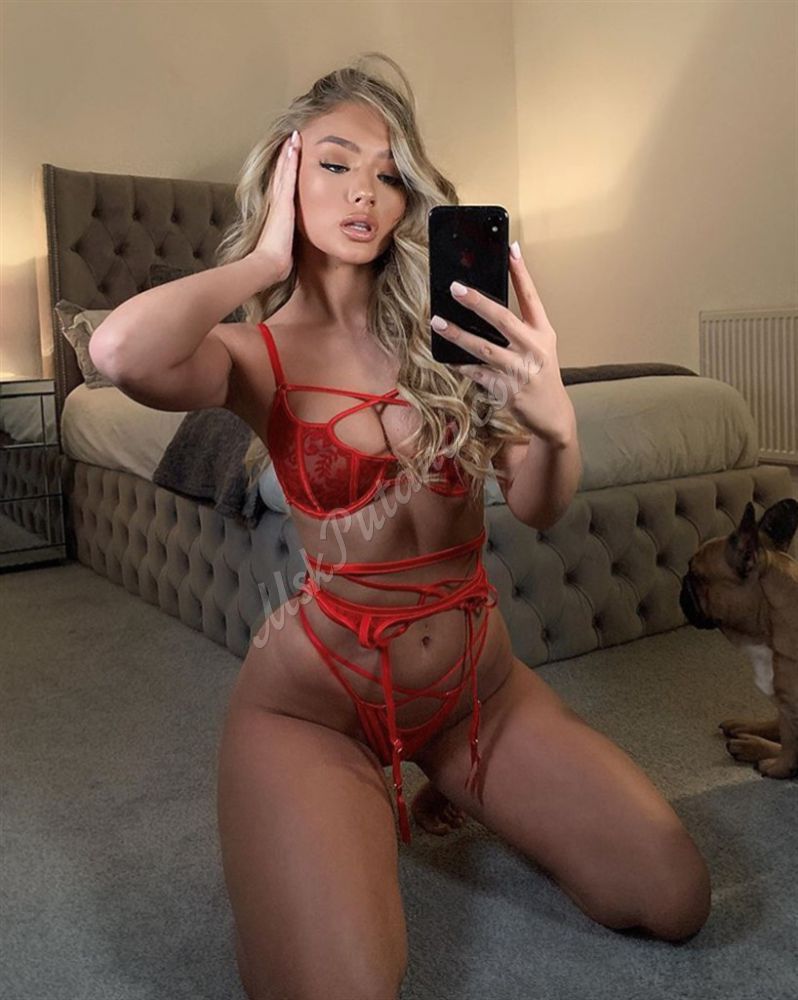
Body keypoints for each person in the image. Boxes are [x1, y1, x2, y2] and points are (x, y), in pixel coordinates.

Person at [90, 53, 710, 1000]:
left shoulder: (452, 338)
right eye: (335, 163)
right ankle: (321, 812)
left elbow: (538, 504)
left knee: (676, 897)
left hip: (475, 691)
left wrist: (556, 422)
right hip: (317, 709)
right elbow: (117, 350)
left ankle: (452, 778)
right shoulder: (251, 354)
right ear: (285, 175)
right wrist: (261, 263)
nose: (364, 192)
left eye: (388, 174)